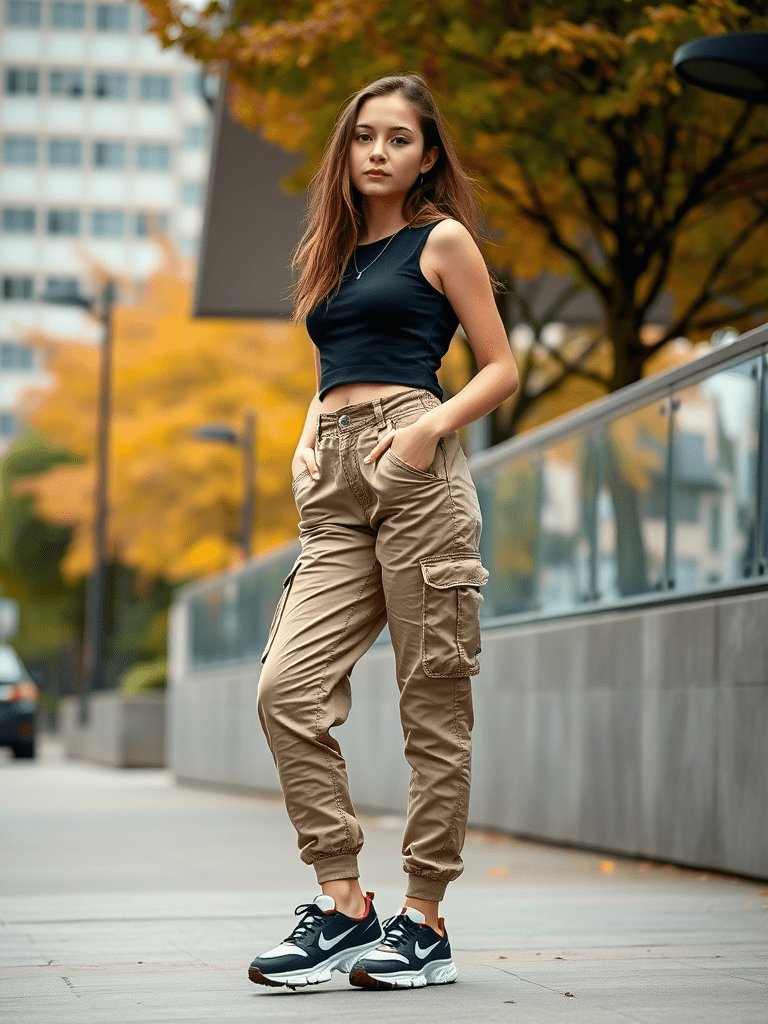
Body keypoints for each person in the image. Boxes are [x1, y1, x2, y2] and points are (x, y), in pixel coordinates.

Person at [249, 72, 519, 992]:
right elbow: (334, 367)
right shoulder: (331, 250)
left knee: (431, 701)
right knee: (288, 688)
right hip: (333, 482)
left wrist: (426, 431)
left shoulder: (441, 240)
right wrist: (305, 444)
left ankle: (425, 918)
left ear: (427, 154)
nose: (377, 152)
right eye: (365, 136)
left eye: (399, 138)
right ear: (346, 147)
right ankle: (342, 904)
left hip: (416, 475)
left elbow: (501, 367)